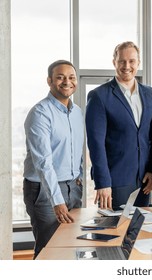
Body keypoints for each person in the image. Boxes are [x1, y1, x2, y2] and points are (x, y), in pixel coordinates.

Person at [85, 41, 152, 210]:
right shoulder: (99, 96)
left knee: (141, 231)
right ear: (114, 63)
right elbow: (96, 144)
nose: (127, 66)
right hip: (115, 180)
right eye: (122, 61)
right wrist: (103, 183)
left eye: (132, 61)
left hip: (145, 179)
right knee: (117, 232)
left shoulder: (149, 93)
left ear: (138, 63)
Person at [23, 60, 84, 259]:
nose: (67, 82)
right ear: (49, 81)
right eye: (60, 77)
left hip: (73, 187)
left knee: (71, 247)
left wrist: (78, 179)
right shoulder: (40, 113)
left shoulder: (77, 112)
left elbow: (77, 152)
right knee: (48, 251)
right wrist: (56, 201)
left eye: (71, 77)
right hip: (44, 191)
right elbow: (43, 163)